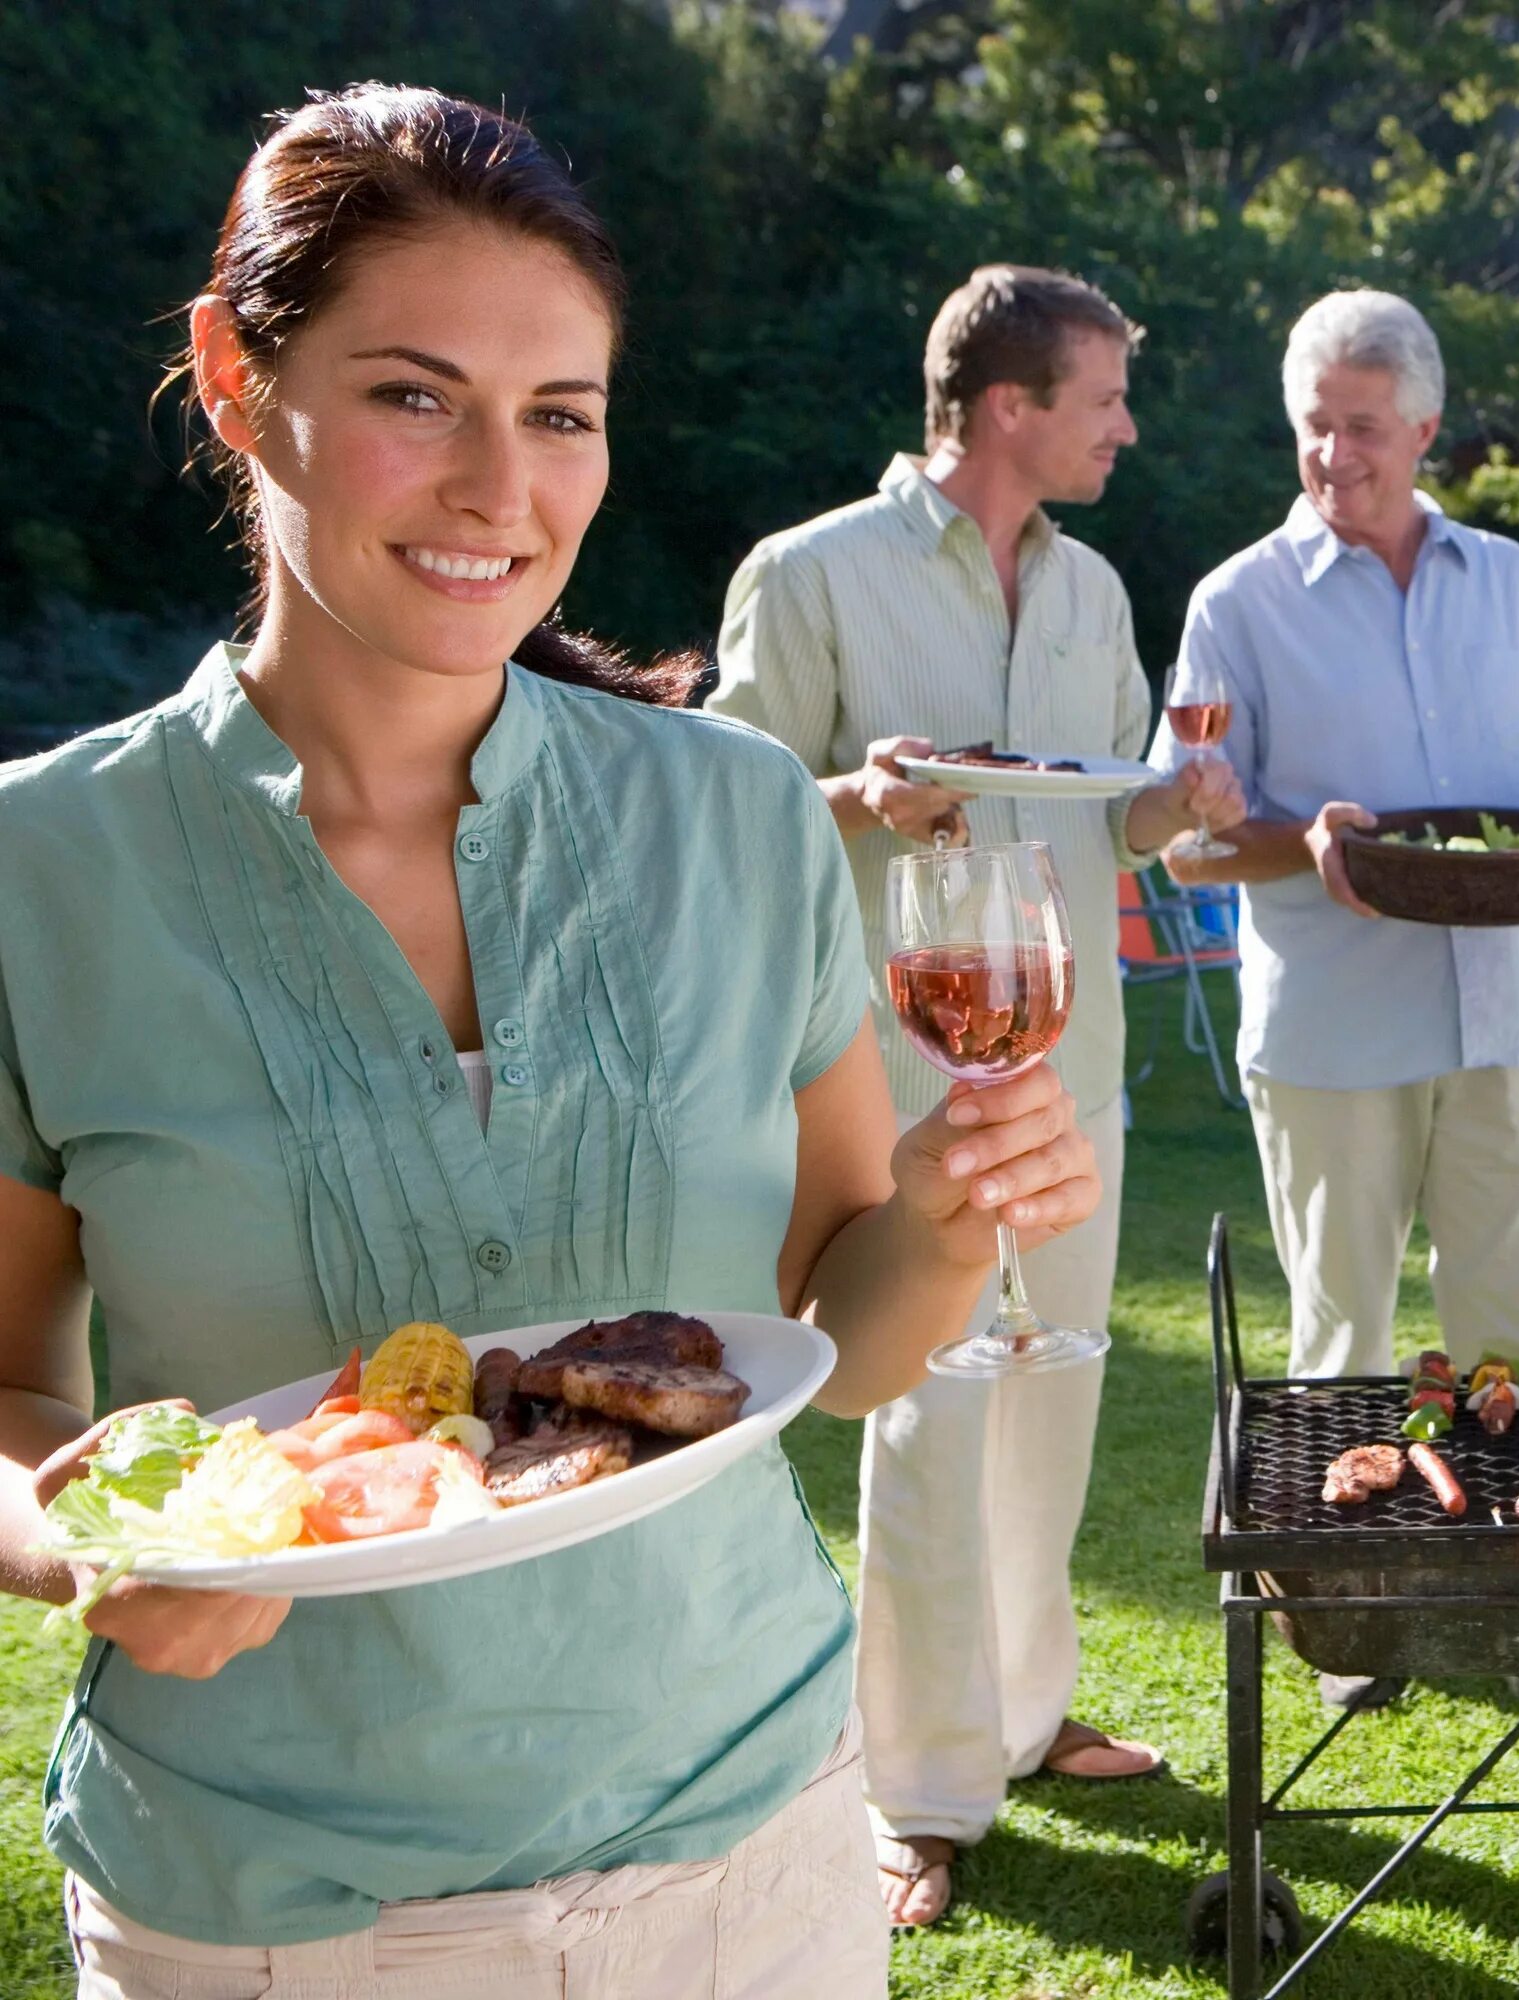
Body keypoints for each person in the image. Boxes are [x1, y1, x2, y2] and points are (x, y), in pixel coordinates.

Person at [0, 88, 1100, 1997]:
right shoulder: (37, 867)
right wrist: (68, 1544)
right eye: (415, 396)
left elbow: (838, 1349)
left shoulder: (743, 812)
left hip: (751, 1855)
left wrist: (948, 1212)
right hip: (267, 1915)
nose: (501, 489)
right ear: (238, 379)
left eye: (561, 416)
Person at [709, 263, 1241, 1927]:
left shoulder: (1090, 592)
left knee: (1054, 1390)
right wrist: (861, 801)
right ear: (1008, 406)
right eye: (1104, 401)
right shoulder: (812, 578)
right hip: (894, 1082)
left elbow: (1114, 817)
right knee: (928, 1414)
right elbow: (728, 815)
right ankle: (919, 1787)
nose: (1126, 429)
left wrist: (1185, 805)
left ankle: (1020, 1714)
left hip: (1068, 1072)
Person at [1157, 288, 1519, 1728]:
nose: (1337, 456)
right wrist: (1307, 845)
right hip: (1332, 1028)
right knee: (1343, 1341)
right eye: (1317, 428)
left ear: (1430, 429)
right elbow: (1194, 835)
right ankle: (1357, 1632)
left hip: (1505, 1009)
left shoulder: (1509, 580)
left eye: (1366, 429)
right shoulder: (1236, 604)